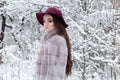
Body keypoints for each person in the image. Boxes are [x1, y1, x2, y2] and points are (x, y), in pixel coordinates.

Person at [36, 7, 72, 80]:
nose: (45, 24)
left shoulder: (58, 41)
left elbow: (56, 73)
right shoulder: (47, 41)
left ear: (56, 22)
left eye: (49, 21)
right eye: (44, 21)